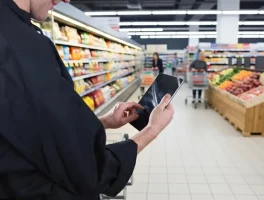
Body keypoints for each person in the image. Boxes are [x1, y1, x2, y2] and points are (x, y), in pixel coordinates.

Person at [0, 0, 174, 199]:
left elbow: (32, 130)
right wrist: (151, 130)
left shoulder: (15, 32)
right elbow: (89, 168)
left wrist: (103, 122)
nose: (66, 0)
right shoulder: (23, 47)